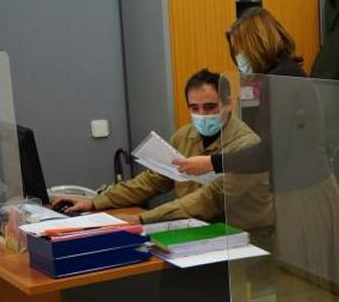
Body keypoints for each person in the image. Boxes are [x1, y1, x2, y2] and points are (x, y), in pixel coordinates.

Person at [175, 8, 339, 302]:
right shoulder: (284, 76)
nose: (238, 59)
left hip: (304, 198)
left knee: (304, 296)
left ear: (255, 44)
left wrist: (212, 163)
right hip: (304, 192)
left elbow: (270, 151)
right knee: (307, 293)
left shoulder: (283, 79)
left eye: (239, 50)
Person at [51, 70, 273, 228]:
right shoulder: (184, 136)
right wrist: (94, 202)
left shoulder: (246, 146)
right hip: (197, 229)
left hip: (245, 238)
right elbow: (151, 181)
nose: (202, 115)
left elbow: (210, 199)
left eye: (210, 107)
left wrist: (142, 220)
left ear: (228, 103)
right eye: (194, 108)